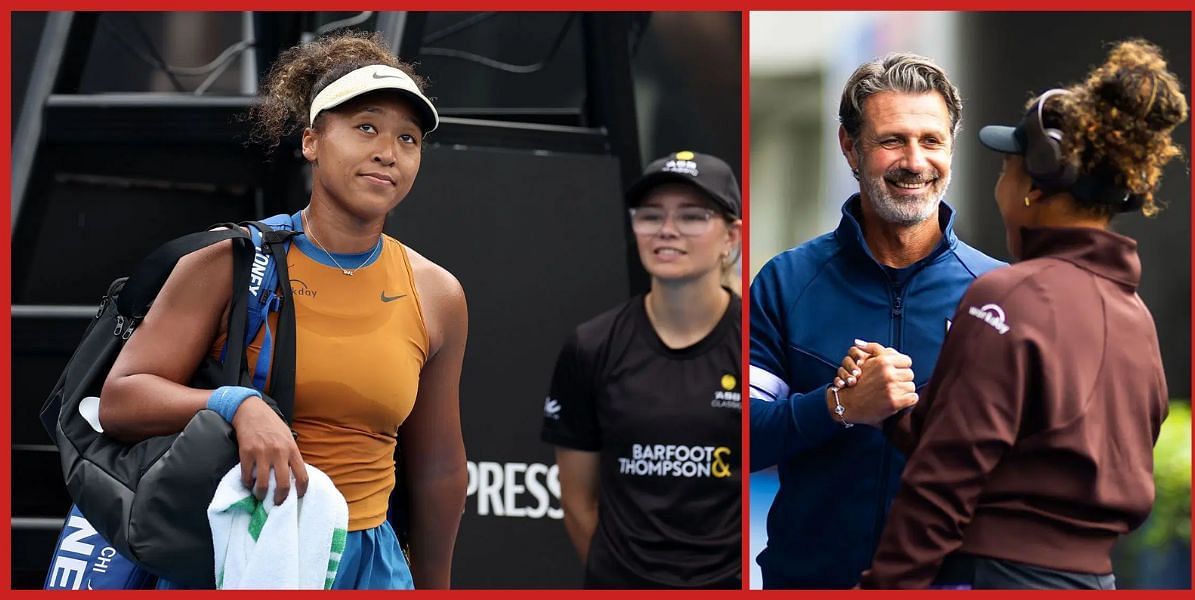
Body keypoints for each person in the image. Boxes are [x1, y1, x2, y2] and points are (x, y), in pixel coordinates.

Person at [97, 31, 468, 590]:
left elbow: (438, 467)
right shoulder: (228, 261)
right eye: (366, 127)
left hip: (369, 566)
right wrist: (236, 404)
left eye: (408, 138)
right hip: (235, 554)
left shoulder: (437, 293)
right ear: (312, 141)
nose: (388, 152)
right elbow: (120, 399)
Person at [831, 39, 1187, 590]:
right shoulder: (1134, 315)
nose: (1001, 185)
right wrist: (895, 411)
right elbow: (1040, 447)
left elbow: (942, 483)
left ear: (1032, 189)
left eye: (1006, 169)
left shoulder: (1008, 296)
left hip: (1000, 577)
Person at [748, 53, 1005, 589]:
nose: (914, 161)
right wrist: (838, 406)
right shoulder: (786, 282)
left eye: (931, 140)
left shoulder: (999, 294)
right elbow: (740, 439)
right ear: (850, 147)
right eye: (892, 140)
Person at [541, 151, 742, 589]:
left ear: (731, 237)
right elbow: (577, 500)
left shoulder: (756, 345)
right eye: (650, 216)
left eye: (692, 216)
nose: (667, 230)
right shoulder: (591, 345)